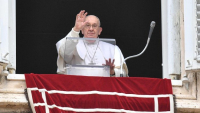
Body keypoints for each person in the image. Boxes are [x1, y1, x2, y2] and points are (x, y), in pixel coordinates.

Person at [56, 10, 128, 77]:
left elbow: (123, 74)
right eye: (87, 25)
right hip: (78, 88)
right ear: (82, 30)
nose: (91, 29)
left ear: (99, 31)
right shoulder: (73, 45)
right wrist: (76, 29)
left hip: (103, 89)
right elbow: (64, 53)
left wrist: (112, 72)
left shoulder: (113, 49)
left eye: (94, 26)